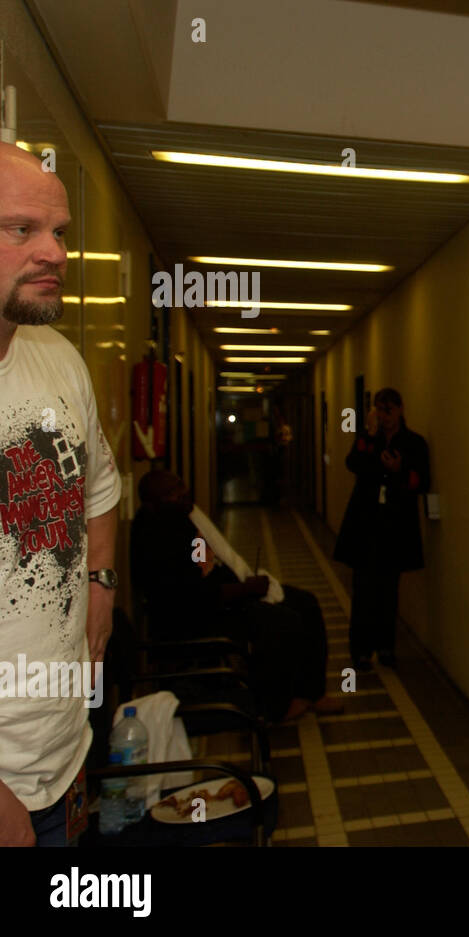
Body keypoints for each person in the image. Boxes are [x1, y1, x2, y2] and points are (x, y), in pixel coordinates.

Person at [0, 142, 120, 845]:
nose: (54, 252)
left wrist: (101, 580)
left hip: (64, 754)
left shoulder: (58, 359)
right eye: (22, 229)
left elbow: (100, 484)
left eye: (61, 233)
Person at [130, 470, 342, 720]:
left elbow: (204, 566)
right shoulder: (157, 535)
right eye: (173, 494)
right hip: (197, 616)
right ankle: (274, 706)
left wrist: (243, 582)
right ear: (152, 504)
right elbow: (194, 595)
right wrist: (247, 589)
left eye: (181, 488)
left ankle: (311, 692)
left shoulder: (183, 519)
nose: (183, 496)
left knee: (306, 602)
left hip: (221, 594)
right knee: (283, 622)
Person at [333, 388, 430, 670]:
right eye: (379, 410)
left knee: (388, 591)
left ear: (400, 409)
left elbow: (421, 482)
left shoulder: (413, 443)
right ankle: (361, 651)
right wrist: (368, 434)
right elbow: (353, 463)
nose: (384, 416)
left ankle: (386, 647)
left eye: (388, 410)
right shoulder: (368, 441)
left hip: (395, 527)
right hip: (365, 525)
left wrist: (399, 470)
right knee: (362, 590)